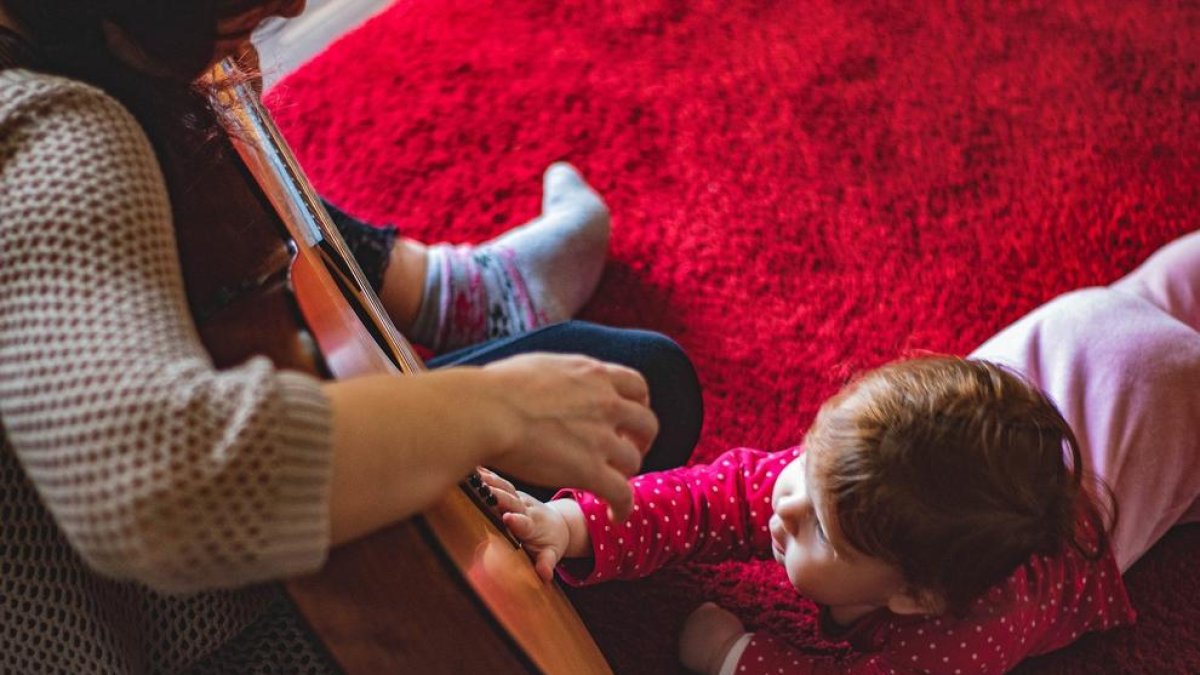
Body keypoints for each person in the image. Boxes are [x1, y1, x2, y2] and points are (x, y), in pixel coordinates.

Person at [0, 0, 702, 672]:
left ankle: (450, 291)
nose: (295, 8)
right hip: (186, 632)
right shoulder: (58, 129)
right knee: (630, 394)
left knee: (618, 387)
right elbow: (157, 485)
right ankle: (465, 294)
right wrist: (496, 410)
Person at [484, 228, 1200, 673]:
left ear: (916, 597)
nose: (784, 499)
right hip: (1075, 341)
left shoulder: (959, 635)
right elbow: (705, 498)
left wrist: (732, 655)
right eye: (805, 456)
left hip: (1161, 403)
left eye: (820, 527)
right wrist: (571, 525)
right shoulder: (831, 489)